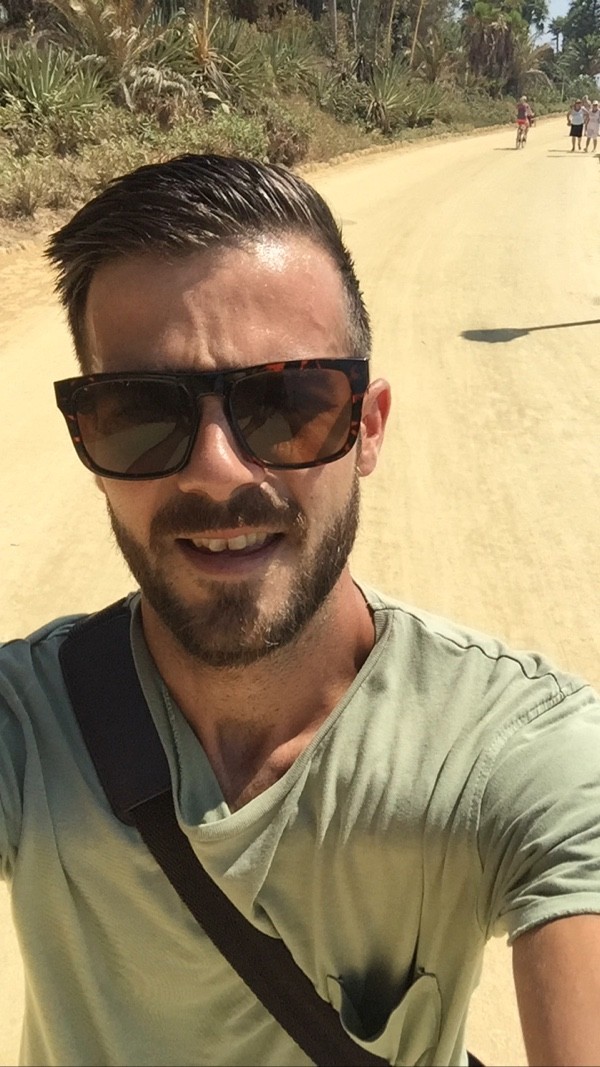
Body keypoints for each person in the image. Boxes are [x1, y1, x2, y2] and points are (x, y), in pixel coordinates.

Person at [2, 153, 600, 1067]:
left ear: (368, 427)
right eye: (138, 412)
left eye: (287, 403)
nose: (216, 470)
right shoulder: (27, 731)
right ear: (87, 441)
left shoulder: (509, 754)